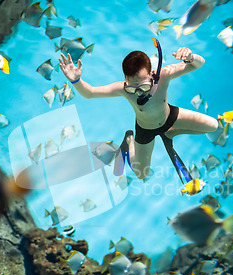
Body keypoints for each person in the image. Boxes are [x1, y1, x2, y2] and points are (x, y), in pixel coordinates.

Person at [58, 46, 218, 180]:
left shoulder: (164, 75)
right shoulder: (122, 88)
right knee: (142, 174)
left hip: (169, 117)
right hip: (145, 129)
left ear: (152, 75)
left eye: (143, 87)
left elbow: (198, 64)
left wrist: (191, 57)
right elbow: (90, 93)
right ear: (125, 79)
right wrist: (76, 80)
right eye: (132, 87)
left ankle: (170, 133)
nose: (138, 93)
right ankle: (130, 142)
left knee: (213, 126)